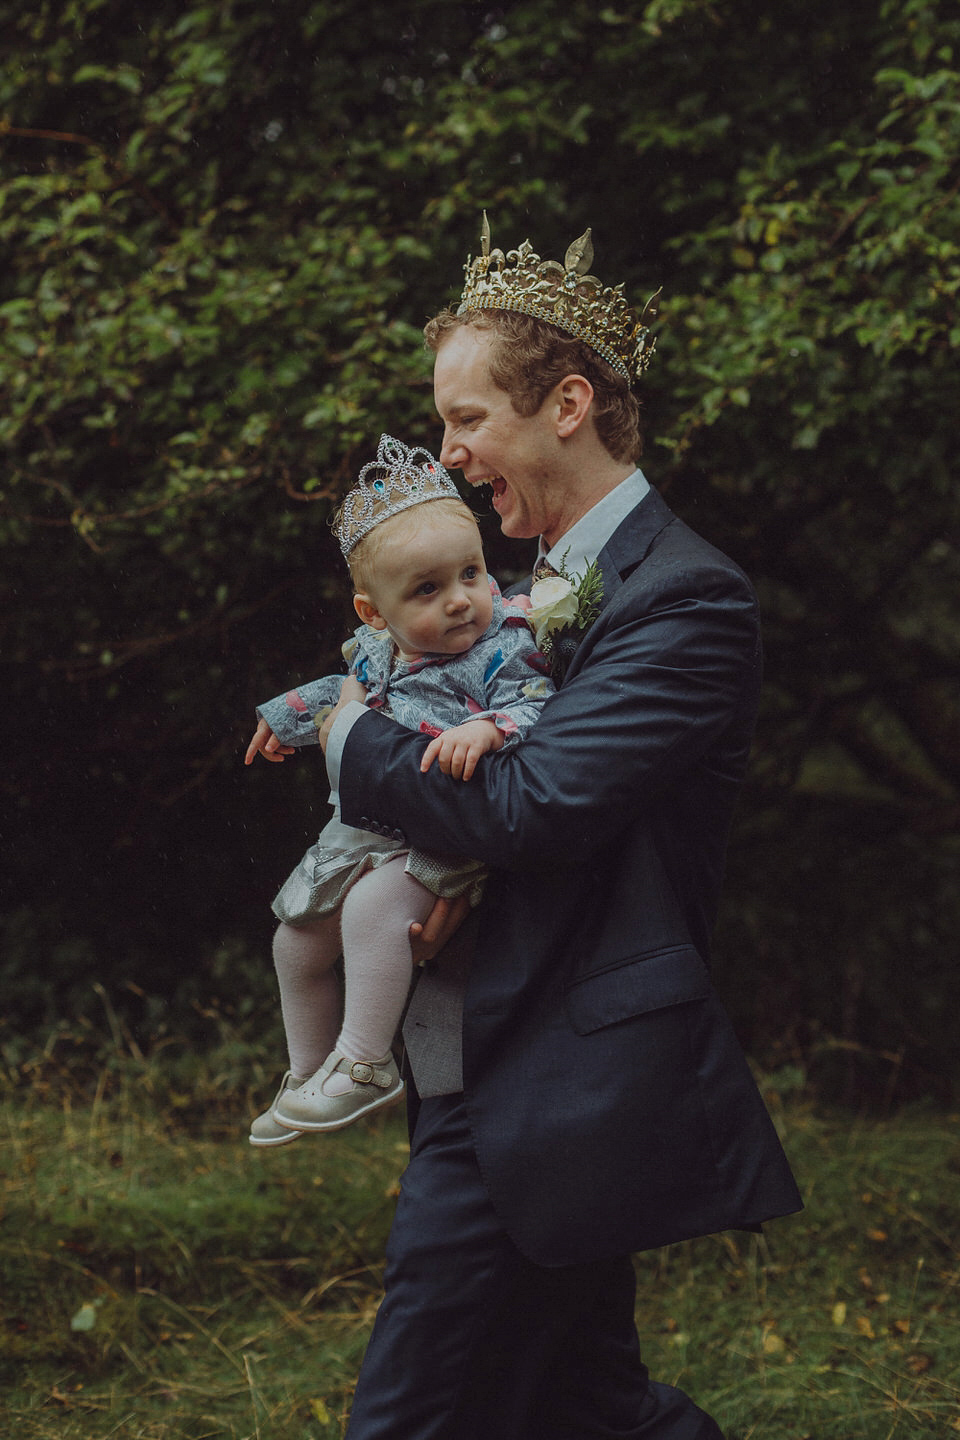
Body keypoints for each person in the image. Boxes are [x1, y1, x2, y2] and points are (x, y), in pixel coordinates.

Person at [286, 218, 803, 1438]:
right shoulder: (515, 600)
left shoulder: (684, 596)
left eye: (469, 420)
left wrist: (351, 737)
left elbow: (531, 802)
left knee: (409, 1415)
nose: (452, 454)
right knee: (591, 1406)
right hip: (484, 1052)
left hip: (559, 1071)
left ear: (566, 404)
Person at [244, 434, 553, 1145]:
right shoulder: (376, 653)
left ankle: (364, 1062)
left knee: (371, 914)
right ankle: (308, 1071)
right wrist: (285, 717)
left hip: (437, 836)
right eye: (427, 589)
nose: (459, 602)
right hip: (364, 829)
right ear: (372, 612)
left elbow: (538, 698)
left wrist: (492, 730)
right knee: (295, 942)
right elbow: (340, 693)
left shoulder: (504, 642)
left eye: (470, 574)